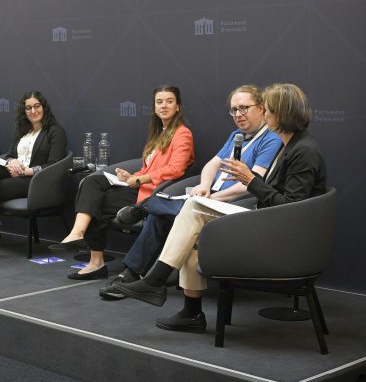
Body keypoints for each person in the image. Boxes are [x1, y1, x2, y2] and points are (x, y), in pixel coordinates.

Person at [116, 83, 327, 333]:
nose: (264, 114)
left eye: (267, 109)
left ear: (279, 114)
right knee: (195, 225)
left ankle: (155, 279)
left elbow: (291, 209)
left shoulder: (302, 151)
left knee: (193, 210)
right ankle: (191, 312)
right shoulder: (292, 145)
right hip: (268, 221)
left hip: (281, 237)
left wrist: (250, 181)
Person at [101, 85, 281, 300]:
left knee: (162, 206)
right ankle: (130, 275)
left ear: (261, 108)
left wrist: (212, 198)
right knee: (160, 216)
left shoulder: (271, 138)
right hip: (211, 198)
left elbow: (252, 183)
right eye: (233, 110)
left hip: (237, 204)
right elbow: (211, 165)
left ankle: (147, 206)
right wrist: (205, 186)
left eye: (244, 108)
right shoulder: (237, 135)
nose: (238, 115)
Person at [50, 86, 195, 280]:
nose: (164, 106)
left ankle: (94, 260)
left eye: (169, 101)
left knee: (97, 202)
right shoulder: (159, 132)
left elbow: (175, 169)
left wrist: (140, 179)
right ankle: (79, 237)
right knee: (92, 184)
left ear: (178, 107)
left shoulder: (182, 133)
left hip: (153, 193)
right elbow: (150, 168)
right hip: (141, 186)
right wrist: (131, 176)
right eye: (159, 102)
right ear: (154, 108)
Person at [0, 91, 68, 261]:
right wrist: (11, 161)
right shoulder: (23, 130)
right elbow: (11, 154)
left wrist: (26, 171)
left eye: (36, 106)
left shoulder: (55, 131)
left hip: (35, 182)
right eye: (28, 108)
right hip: (16, 174)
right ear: (23, 110)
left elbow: (54, 164)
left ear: (44, 107)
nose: (33, 111)